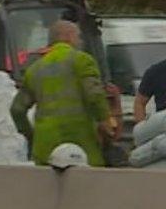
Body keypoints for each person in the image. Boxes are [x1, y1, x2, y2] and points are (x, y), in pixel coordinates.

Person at [11, 20, 113, 167]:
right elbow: (95, 95)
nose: (80, 41)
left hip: (45, 145)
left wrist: (30, 135)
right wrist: (105, 121)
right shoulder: (82, 60)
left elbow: (17, 110)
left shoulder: (34, 69)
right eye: (78, 36)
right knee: (90, 185)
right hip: (81, 140)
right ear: (69, 36)